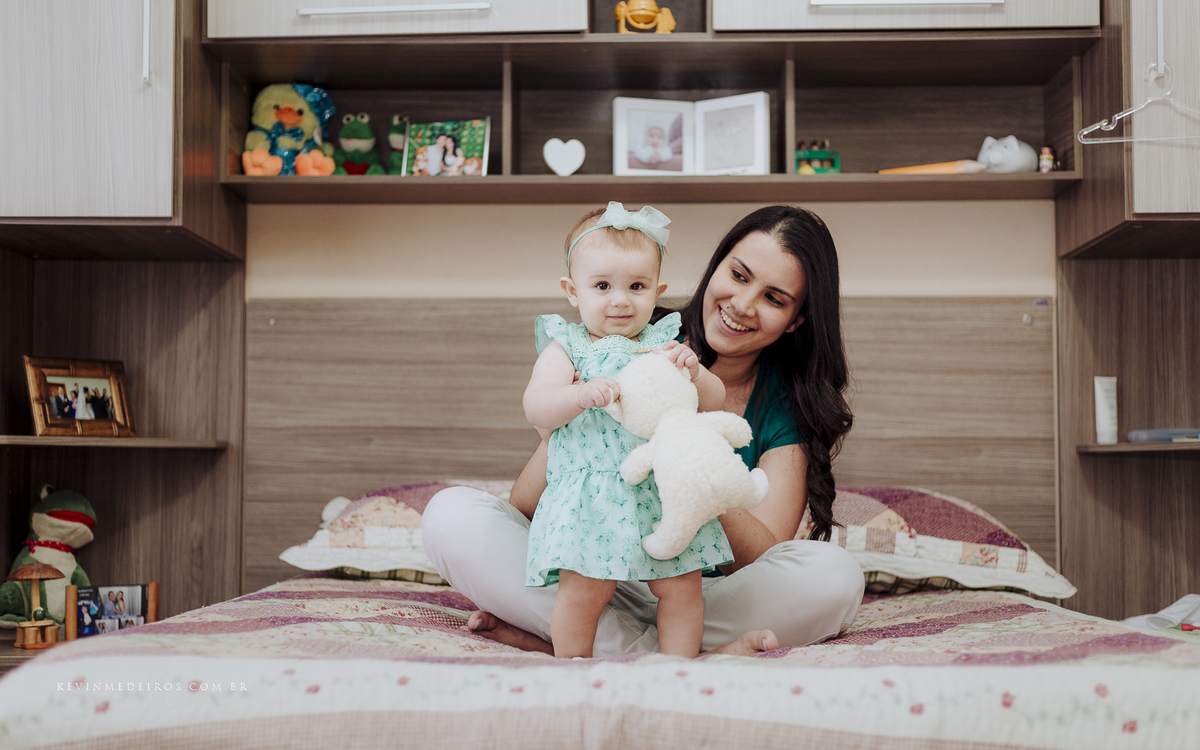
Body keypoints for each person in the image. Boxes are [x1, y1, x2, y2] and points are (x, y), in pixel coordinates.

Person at [423, 204, 864, 658]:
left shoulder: (784, 404)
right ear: (715, 270)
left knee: (834, 575)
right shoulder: (620, 334)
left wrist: (689, 464)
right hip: (592, 575)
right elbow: (524, 509)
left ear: (795, 320)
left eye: (774, 298)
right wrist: (577, 421)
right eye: (738, 275)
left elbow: (761, 552)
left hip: (696, 589)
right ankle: (682, 657)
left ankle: (588, 644)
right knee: (451, 515)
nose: (742, 304)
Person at [522, 202, 728, 659]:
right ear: (572, 291)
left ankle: (679, 666)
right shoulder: (568, 346)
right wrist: (577, 395)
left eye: (636, 286)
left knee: (681, 589)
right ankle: (572, 667)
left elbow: (713, 402)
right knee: (584, 593)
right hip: (593, 494)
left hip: (661, 489)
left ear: (658, 290)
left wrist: (695, 371)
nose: (620, 299)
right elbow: (536, 405)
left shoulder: (663, 344)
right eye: (602, 286)